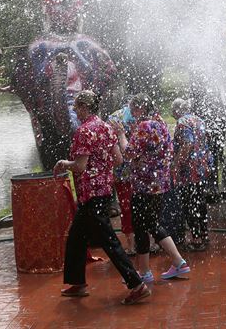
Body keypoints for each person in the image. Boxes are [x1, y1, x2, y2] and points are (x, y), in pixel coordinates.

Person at [53, 90, 149, 305]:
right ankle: (77, 282)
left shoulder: (84, 131)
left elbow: (79, 166)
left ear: (85, 107)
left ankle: (137, 284)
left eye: (77, 107)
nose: (75, 111)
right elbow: (117, 159)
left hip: (91, 193)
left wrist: (63, 163)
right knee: (76, 236)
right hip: (104, 191)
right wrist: (101, 168)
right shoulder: (106, 127)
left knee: (110, 242)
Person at [113, 93, 190, 282]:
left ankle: (144, 272)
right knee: (153, 224)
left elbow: (128, 153)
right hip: (160, 184)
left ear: (139, 108)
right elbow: (163, 152)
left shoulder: (144, 126)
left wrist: (121, 134)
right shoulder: (161, 123)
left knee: (141, 227)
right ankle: (179, 263)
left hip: (144, 186)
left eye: (132, 109)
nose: (131, 112)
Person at [171, 98, 213, 252]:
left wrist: (176, 164)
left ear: (176, 111)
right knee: (200, 201)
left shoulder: (182, 123)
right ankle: (204, 233)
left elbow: (187, 144)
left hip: (189, 170)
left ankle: (196, 239)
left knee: (190, 203)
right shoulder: (199, 120)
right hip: (202, 167)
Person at [108, 102, 136, 255]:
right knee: (143, 206)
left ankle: (131, 246)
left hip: (122, 172)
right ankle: (150, 242)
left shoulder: (113, 118)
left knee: (126, 208)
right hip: (141, 172)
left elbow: (109, 145)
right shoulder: (144, 117)